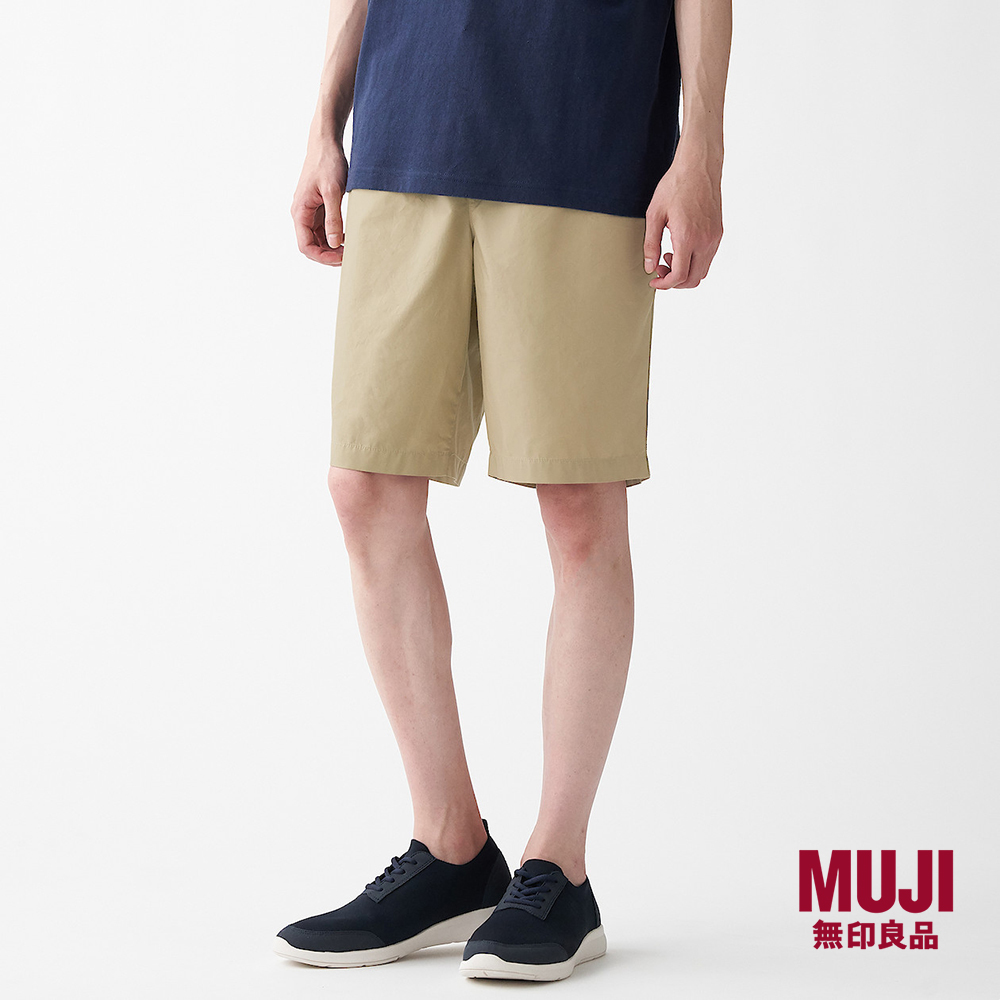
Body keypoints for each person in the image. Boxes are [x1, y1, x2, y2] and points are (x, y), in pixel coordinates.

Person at [275, 0, 731, 982]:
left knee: (578, 502)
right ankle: (450, 847)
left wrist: (701, 146)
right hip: (405, 124)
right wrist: (323, 119)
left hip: (579, 127)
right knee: (365, 485)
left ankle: (558, 868)